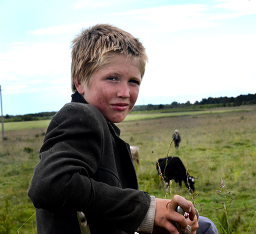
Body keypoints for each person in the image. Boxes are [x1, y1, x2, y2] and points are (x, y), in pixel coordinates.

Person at [28, 24, 217, 234]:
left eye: (134, 81)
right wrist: (146, 209)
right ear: (80, 82)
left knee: (201, 226)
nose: (125, 92)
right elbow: (48, 185)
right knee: (206, 229)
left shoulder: (103, 125)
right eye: (112, 78)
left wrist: (148, 219)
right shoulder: (80, 115)